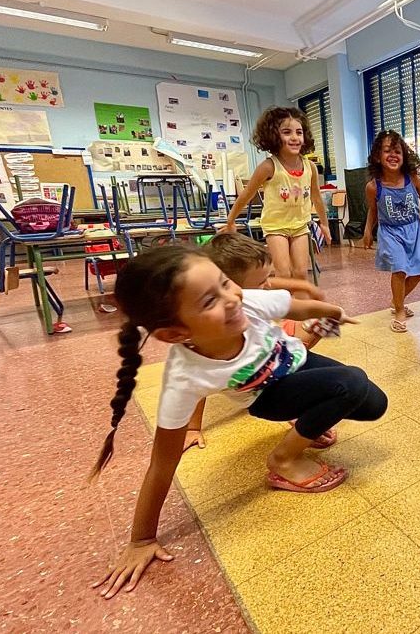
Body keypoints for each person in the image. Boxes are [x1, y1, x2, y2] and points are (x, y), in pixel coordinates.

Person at [89, 245, 387, 598]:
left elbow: (297, 306)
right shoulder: (185, 376)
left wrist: (334, 312)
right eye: (208, 301)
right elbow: (162, 463)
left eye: (225, 284)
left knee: (373, 403)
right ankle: (283, 460)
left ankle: (307, 419)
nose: (231, 299)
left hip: (298, 362)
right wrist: (141, 538)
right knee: (351, 382)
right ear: (174, 333)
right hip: (267, 397)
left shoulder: (244, 301)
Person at [179, 232, 339, 451]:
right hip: (253, 371)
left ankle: (291, 380)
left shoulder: (243, 291)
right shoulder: (215, 325)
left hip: (269, 343)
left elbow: (268, 281)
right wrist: (192, 428)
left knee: (322, 321)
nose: (268, 285)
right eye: (261, 282)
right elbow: (197, 378)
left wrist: (304, 287)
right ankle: (287, 398)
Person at [221, 107, 330, 297]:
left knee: (301, 273)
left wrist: (324, 224)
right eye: (286, 132)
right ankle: (282, 312)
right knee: (284, 273)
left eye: (299, 132)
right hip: (275, 226)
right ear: (273, 136)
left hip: (300, 226)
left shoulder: (310, 167)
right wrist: (230, 220)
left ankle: (303, 315)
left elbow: (316, 198)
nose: (295, 137)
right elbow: (246, 194)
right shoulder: (268, 166)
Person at [361, 130, 420, 333]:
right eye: (387, 151)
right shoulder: (373, 186)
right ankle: (399, 310)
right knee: (399, 269)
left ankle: (396, 300)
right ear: (377, 157)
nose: (393, 155)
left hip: (414, 230)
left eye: (397, 151)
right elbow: (373, 210)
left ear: (404, 155)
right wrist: (367, 231)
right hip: (390, 232)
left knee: (419, 272)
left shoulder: (412, 178)